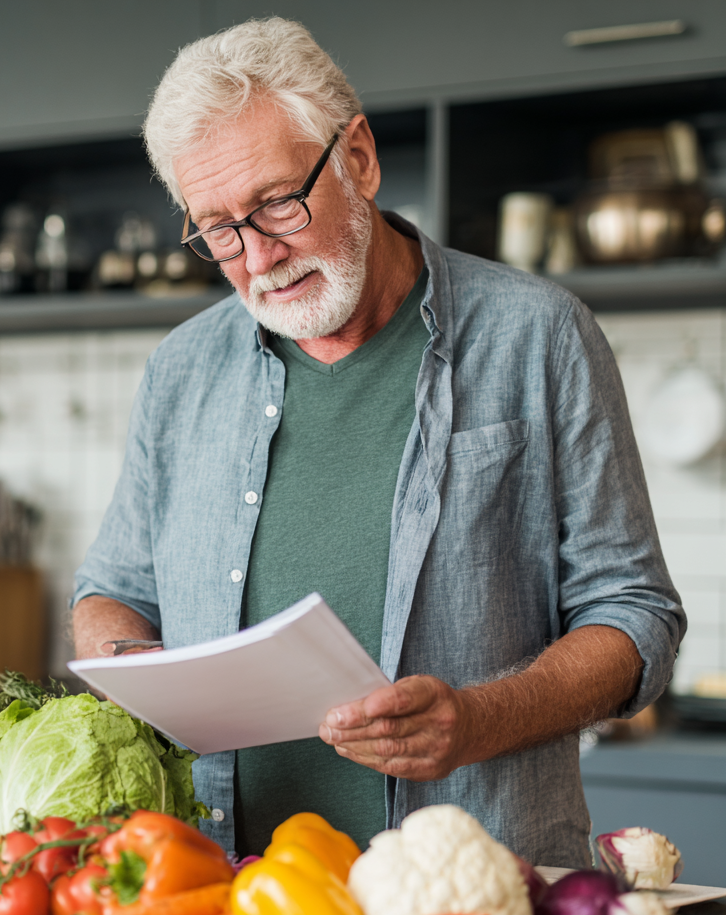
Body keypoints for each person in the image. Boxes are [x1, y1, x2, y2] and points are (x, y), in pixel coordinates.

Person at [72, 18, 685, 867]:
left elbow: (636, 617)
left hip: (474, 901)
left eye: (277, 203)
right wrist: (137, 672)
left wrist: (476, 721)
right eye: (217, 229)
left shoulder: (538, 336)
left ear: (356, 156)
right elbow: (111, 592)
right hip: (229, 904)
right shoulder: (180, 371)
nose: (257, 257)